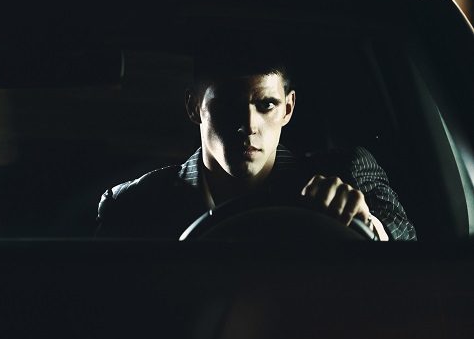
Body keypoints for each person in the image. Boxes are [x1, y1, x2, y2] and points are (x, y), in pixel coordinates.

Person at [96, 52, 417, 241]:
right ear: (194, 107)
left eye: (266, 105)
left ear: (288, 109)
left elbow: (416, 260)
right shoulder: (134, 205)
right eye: (227, 106)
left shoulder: (347, 174)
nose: (248, 126)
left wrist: (365, 225)